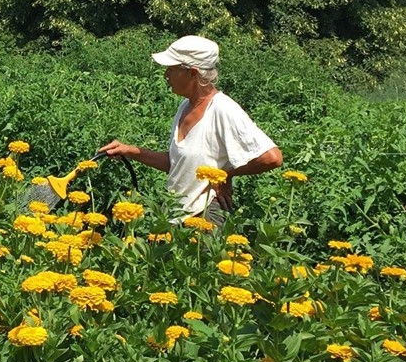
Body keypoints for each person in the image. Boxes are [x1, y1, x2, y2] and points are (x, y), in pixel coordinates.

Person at [100, 35, 282, 223]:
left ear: (193, 73)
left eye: (172, 69)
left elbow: (272, 158)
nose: (166, 75)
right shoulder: (185, 107)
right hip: (175, 214)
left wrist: (225, 175)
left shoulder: (222, 110)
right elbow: (177, 164)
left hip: (204, 215)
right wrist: (129, 151)